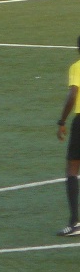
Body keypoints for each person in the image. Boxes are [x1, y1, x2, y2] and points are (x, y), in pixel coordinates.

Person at [57, 36, 80, 236]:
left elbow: (73, 94)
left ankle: (74, 222)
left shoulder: (77, 67)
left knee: (72, 169)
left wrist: (61, 121)